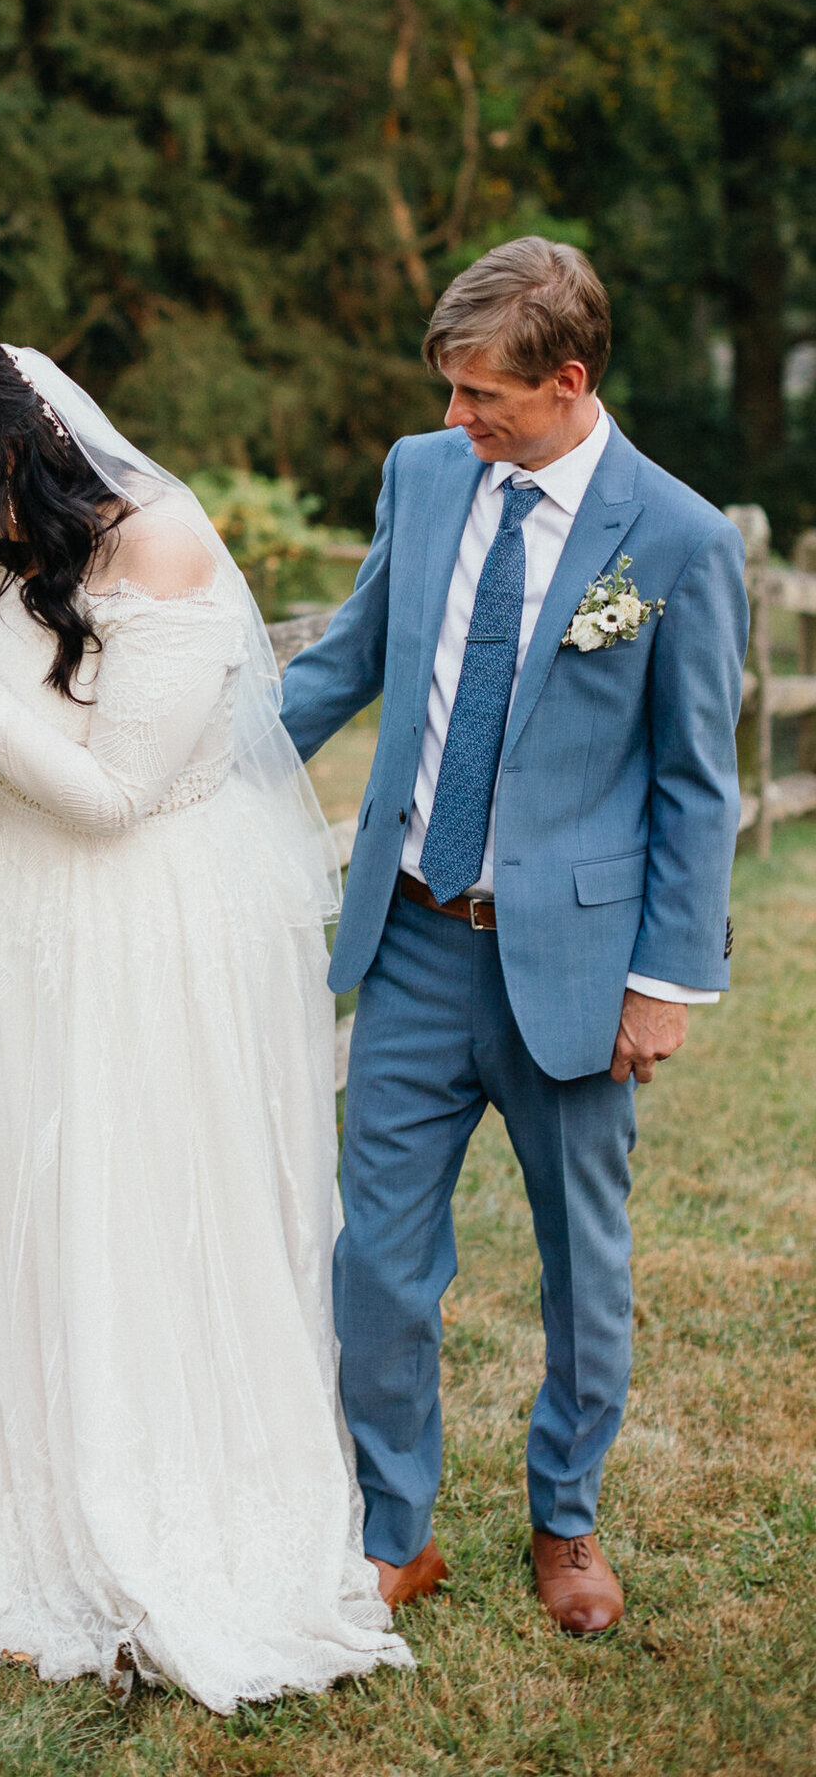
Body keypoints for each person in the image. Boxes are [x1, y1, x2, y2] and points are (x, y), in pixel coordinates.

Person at [0, 329, 411, 1713]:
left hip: (136, 929)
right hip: (13, 929)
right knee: (29, 1204)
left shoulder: (157, 547)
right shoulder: (8, 557)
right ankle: (33, 1521)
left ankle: (164, 1519)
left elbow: (112, 797)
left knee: (135, 1200)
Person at [282, 238, 748, 1635]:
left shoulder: (678, 538)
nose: (456, 421)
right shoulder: (424, 481)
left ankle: (566, 1521)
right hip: (414, 942)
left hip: (577, 970)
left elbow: (696, 781)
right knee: (378, 1259)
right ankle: (392, 1528)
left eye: (482, 396)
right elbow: (345, 661)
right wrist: (187, 764)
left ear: (569, 380)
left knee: (581, 1264)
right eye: (447, 392)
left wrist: (663, 984)